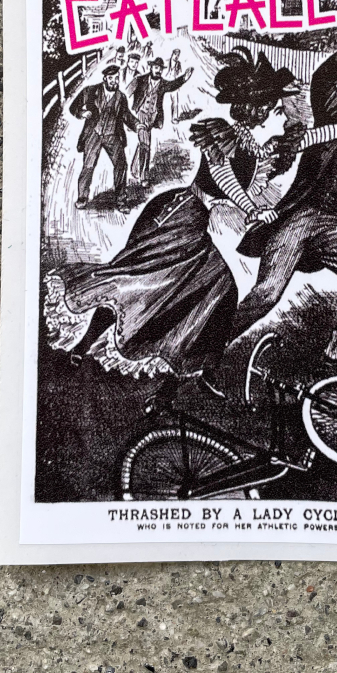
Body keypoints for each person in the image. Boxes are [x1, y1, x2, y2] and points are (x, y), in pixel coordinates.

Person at [44, 47, 300, 410]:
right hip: (177, 215)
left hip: (196, 223)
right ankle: (85, 345)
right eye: (278, 111)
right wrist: (250, 207)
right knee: (134, 280)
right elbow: (222, 177)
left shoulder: (254, 149)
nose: (283, 116)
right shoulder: (223, 134)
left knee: (216, 295)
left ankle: (174, 385)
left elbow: (247, 184)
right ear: (261, 112)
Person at [227, 33, 337, 375]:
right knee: (267, 293)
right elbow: (323, 82)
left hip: (332, 229)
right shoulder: (334, 125)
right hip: (297, 219)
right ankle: (213, 343)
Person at [69, 64, 138, 211]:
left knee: (121, 164)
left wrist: (137, 125)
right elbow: (73, 107)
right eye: (111, 78)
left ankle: (121, 200)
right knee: (88, 165)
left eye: (116, 78)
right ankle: (82, 197)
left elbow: (126, 115)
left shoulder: (120, 97)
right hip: (94, 133)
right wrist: (81, 113)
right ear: (105, 78)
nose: (114, 81)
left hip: (112, 134)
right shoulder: (90, 91)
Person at [129, 57, 194, 186]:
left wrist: (184, 78)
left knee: (144, 143)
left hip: (153, 117)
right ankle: (143, 177)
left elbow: (173, 85)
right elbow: (127, 91)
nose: (158, 71)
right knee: (145, 144)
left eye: (160, 69)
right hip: (141, 114)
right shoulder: (140, 80)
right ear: (151, 68)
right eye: (156, 68)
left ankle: (135, 168)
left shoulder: (163, 83)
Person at [167, 48, 183, 125]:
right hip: (166, 83)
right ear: (172, 54)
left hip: (174, 84)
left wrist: (178, 84)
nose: (176, 56)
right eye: (175, 54)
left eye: (178, 55)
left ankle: (174, 118)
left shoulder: (178, 64)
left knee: (175, 102)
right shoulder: (167, 62)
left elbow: (180, 74)